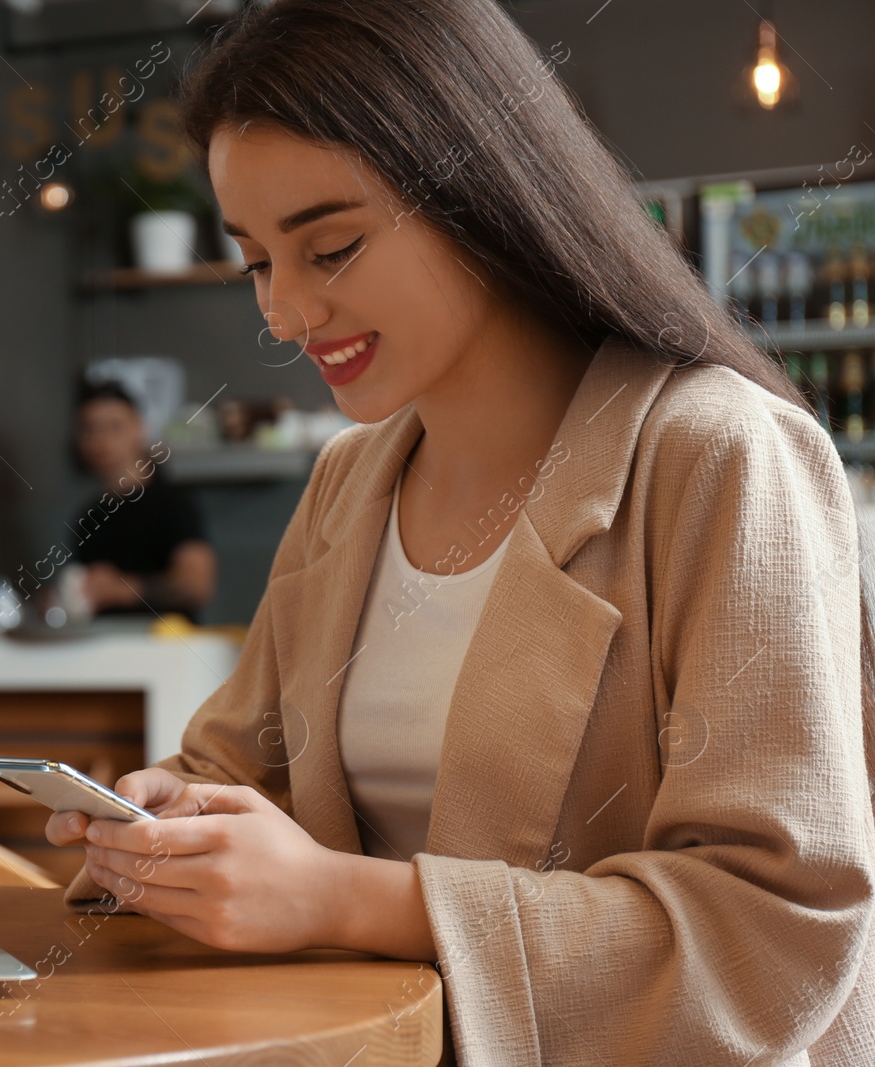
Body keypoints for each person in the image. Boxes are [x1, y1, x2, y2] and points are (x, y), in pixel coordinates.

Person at [45, 3, 875, 1064]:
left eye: (330, 247)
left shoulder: (718, 455)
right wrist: (172, 818)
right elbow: (245, 768)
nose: (285, 311)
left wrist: (348, 899)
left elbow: (770, 924)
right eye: (256, 262)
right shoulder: (349, 482)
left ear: (482, 192)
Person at [67, 380, 215, 620]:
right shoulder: (87, 519)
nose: (101, 440)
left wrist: (123, 590)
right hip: (109, 651)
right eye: (90, 429)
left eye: (114, 427)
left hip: (168, 650)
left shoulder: (173, 504)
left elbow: (196, 586)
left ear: (139, 428)